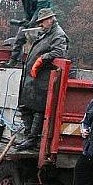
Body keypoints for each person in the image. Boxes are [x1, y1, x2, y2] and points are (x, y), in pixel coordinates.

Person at [15, 8, 68, 152]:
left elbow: (60, 51)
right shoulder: (45, 33)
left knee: (38, 109)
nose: (41, 24)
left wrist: (41, 59)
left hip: (43, 80)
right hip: (32, 79)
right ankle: (27, 136)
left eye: (42, 21)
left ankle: (32, 139)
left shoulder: (58, 35)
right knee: (25, 107)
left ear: (50, 19)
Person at [3, 0, 53, 67]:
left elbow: (40, 9)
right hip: (29, 17)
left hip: (42, 19)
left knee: (39, 42)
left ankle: (39, 64)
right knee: (19, 38)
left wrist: (32, 22)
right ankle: (12, 62)